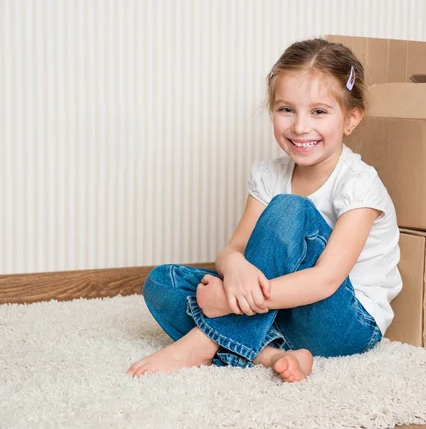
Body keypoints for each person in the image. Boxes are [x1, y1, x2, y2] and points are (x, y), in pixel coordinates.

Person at [126, 38, 402, 383]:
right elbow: (234, 248)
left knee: (288, 210)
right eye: (287, 110)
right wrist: (235, 266)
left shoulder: (359, 184)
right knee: (163, 281)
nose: (300, 126)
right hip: (278, 312)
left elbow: (325, 281)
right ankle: (273, 354)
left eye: (319, 111)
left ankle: (205, 339)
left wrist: (228, 302)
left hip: (343, 321)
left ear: (350, 119)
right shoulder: (269, 175)